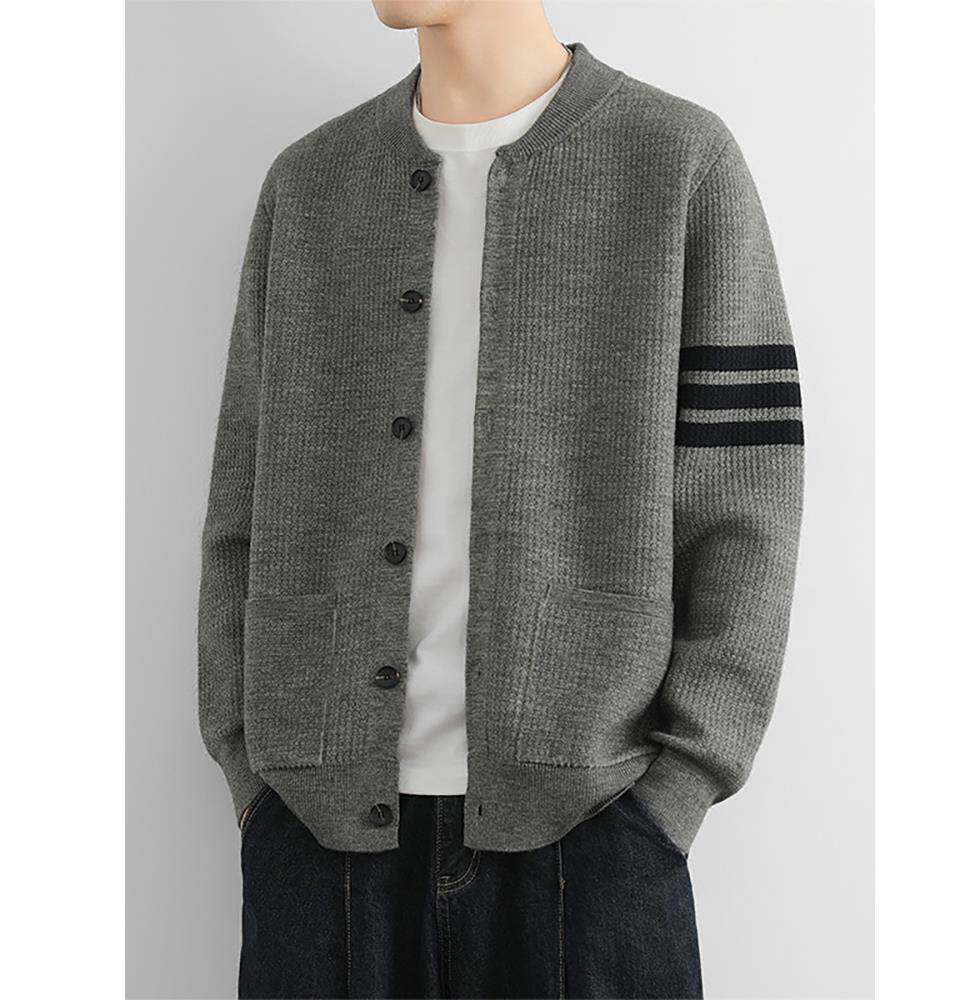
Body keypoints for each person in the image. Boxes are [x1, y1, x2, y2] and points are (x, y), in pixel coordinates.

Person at [198, 1, 804, 996]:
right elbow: (241, 507)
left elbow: (745, 510)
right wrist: (249, 773)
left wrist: (678, 789)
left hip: (593, 833)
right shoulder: (310, 185)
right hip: (316, 838)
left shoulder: (676, 163)